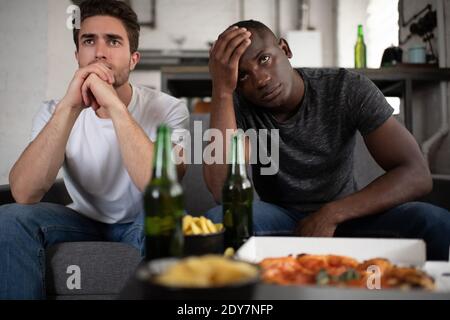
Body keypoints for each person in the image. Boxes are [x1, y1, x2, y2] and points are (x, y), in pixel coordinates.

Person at [204, 20, 450, 261]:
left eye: (264, 59)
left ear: (285, 49)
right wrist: (222, 90)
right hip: (280, 219)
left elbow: (417, 174)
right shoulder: (237, 103)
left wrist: (333, 213)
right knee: (219, 222)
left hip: (350, 216)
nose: (260, 80)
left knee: (435, 221)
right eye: (243, 75)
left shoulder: (344, 88)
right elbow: (222, 192)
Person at [0, 0, 189, 299]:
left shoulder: (169, 109)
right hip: (82, 220)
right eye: (89, 41)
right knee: (9, 219)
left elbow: (157, 183)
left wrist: (114, 105)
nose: (99, 52)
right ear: (78, 56)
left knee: (166, 221)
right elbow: (25, 193)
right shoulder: (55, 110)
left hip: (142, 218)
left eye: (113, 41)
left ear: (133, 59)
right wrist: (70, 107)